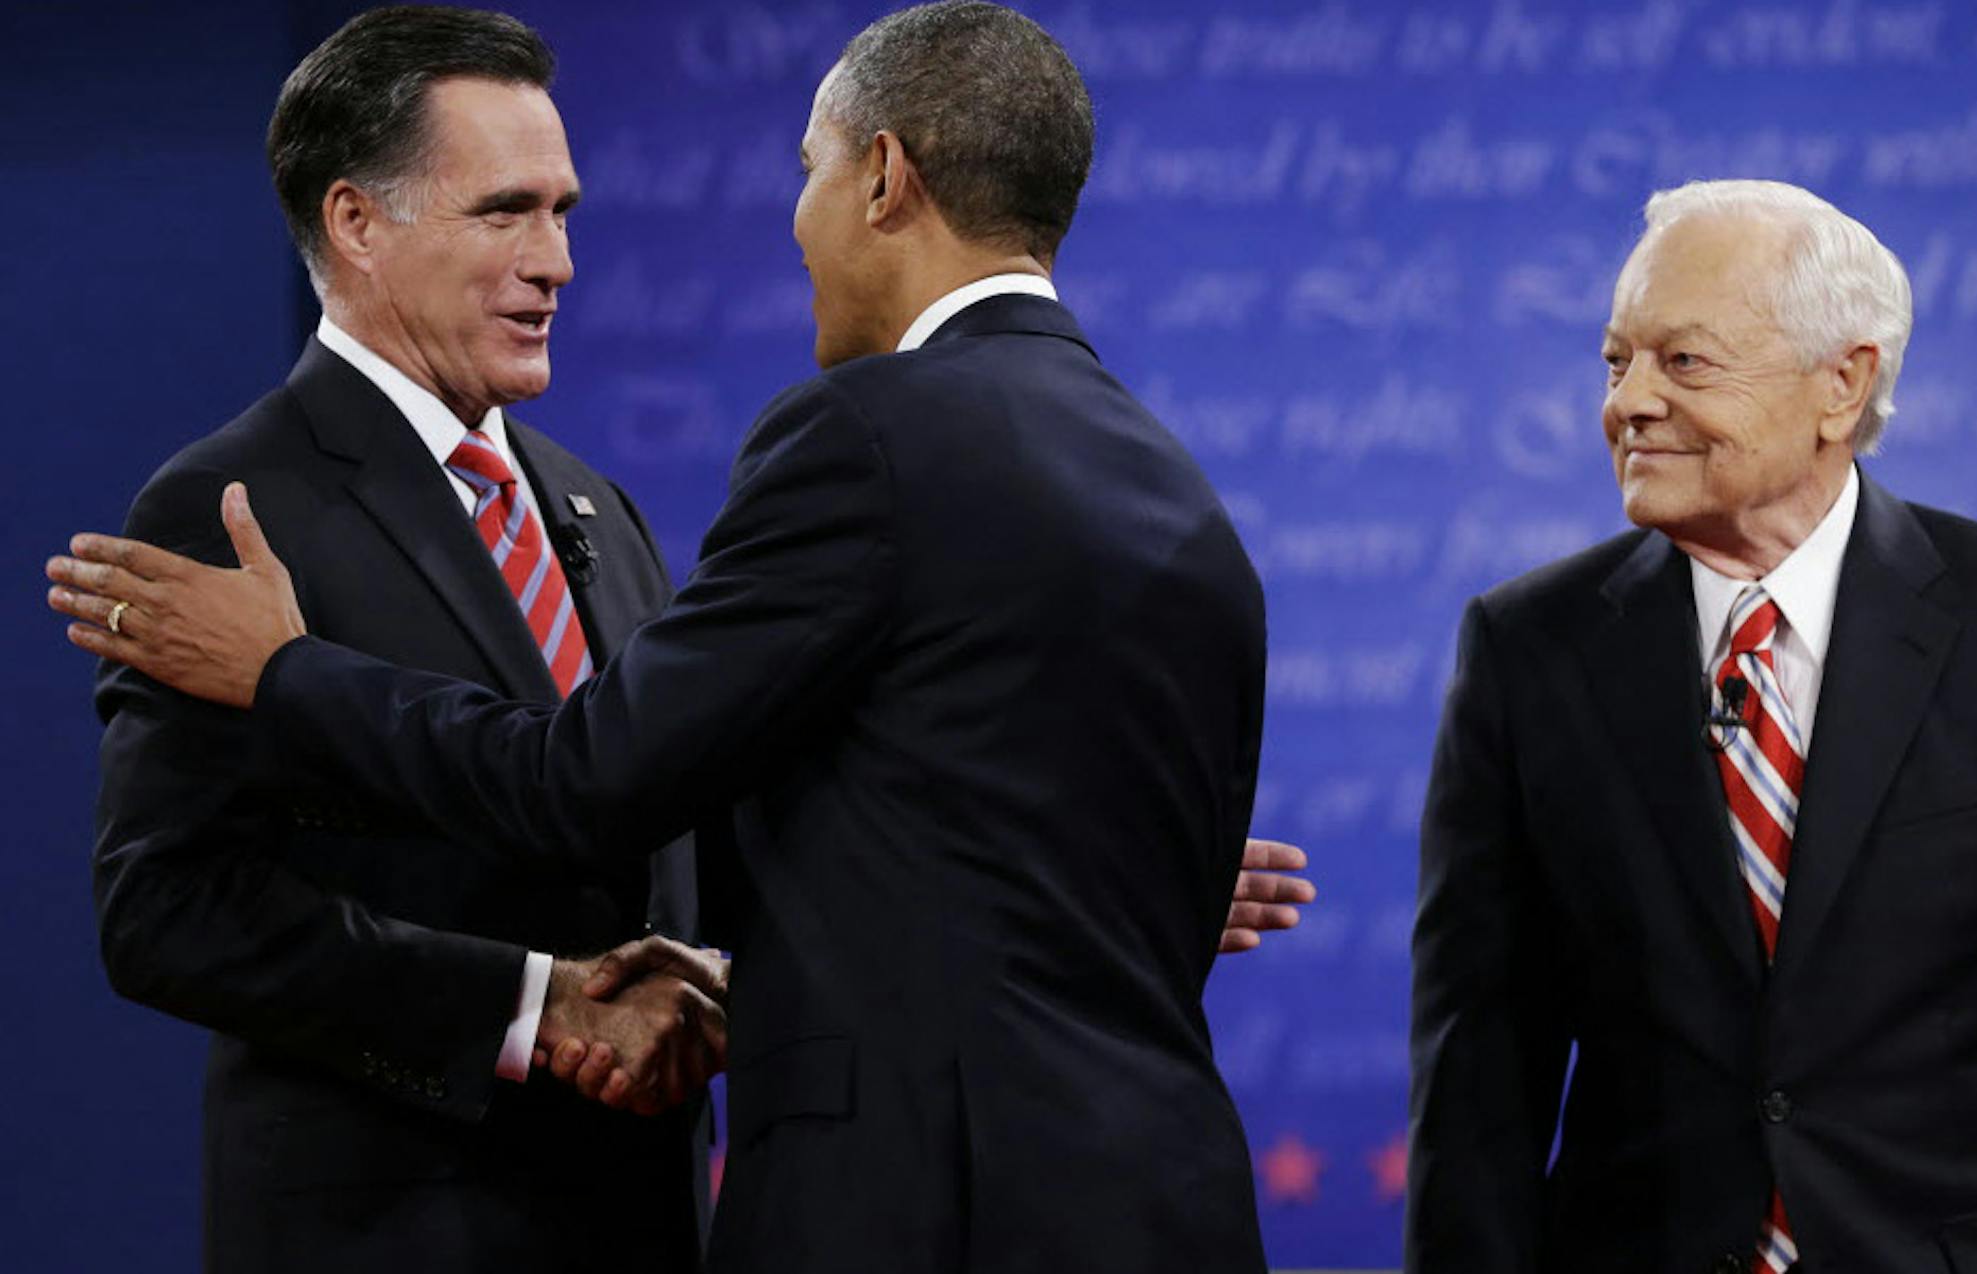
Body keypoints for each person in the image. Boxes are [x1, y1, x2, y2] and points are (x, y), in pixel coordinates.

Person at [49, 4, 1289, 1271]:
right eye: (506, 211)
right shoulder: (235, 511)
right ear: (357, 222)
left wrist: (1020, 836)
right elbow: (168, 908)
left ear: (883, 177)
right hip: (407, 1228)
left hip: (647, 1226)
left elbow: (638, 794)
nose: (558, 262)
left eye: (564, 212)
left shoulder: (596, 506)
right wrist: (530, 1007)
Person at [1399, 179, 1977, 1273]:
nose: (1631, 402)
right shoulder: (1529, 651)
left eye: (1685, 361)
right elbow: (1477, 1077)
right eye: (1617, 362)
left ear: (1840, 386)